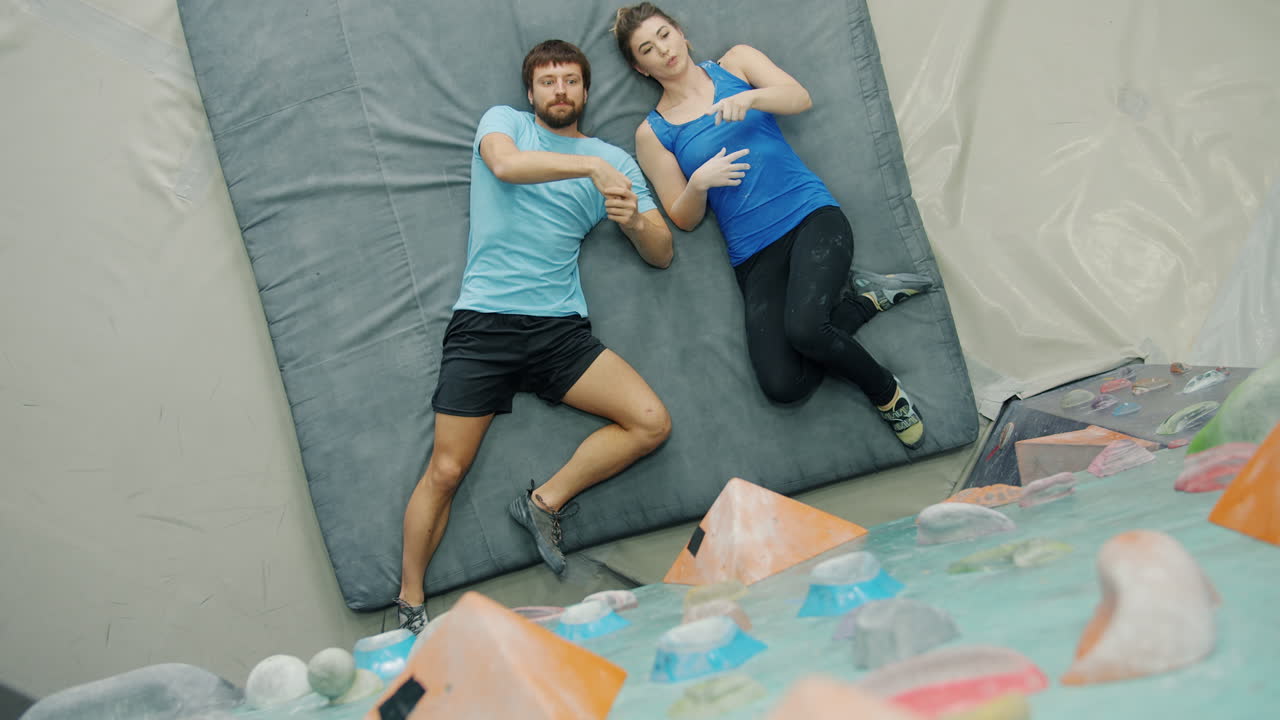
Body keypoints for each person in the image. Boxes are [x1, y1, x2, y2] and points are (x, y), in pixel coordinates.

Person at [395, 39, 674, 634]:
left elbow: (662, 254)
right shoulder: (506, 125)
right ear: (531, 92)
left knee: (650, 422)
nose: (559, 90)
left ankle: (543, 501)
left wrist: (635, 223)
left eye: (571, 80)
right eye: (548, 81)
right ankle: (410, 605)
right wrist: (589, 168)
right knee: (445, 471)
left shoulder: (614, 159)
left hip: (559, 332)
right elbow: (505, 166)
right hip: (484, 324)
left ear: (585, 90)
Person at [612, 3, 931, 449]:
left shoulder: (736, 62)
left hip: (811, 219)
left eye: (664, 35)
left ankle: (887, 394)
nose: (662, 50)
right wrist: (699, 183)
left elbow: (799, 97)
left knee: (805, 330)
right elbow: (683, 219)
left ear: (680, 32)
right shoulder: (653, 132)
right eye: (647, 48)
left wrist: (750, 97)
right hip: (753, 255)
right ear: (638, 66)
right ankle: (862, 303)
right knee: (784, 385)